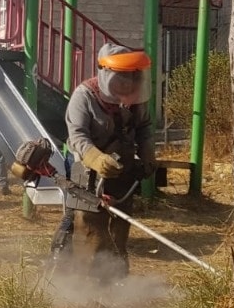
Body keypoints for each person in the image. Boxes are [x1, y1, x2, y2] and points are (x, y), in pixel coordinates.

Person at [50, 43, 156, 280]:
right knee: (84, 223)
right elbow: (77, 135)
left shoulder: (135, 97)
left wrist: (148, 153)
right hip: (86, 170)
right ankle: (78, 277)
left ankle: (114, 277)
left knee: (119, 225)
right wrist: (95, 158)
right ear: (106, 74)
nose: (127, 84)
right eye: (121, 78)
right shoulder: (84, 96)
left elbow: (145, 127)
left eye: (131, 77)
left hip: (122, 172)